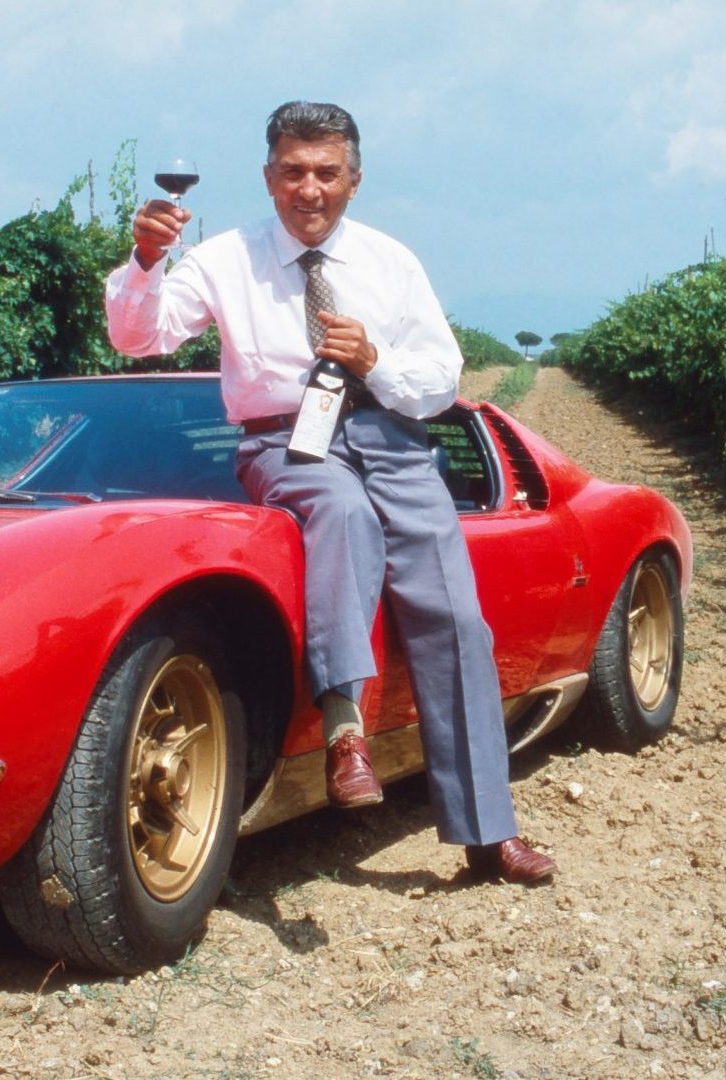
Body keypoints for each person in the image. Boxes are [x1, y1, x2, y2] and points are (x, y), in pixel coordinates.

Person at [103, 101, 554, 884]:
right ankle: (346, 733)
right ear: (268, 176)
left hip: (394, 438)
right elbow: (139, 338)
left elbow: (441, 377)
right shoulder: (221, 259)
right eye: (292, 172)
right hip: (286, 440)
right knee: (340, 509)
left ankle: (490, 833)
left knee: (455, 618)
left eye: (325, 172)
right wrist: (145, 262)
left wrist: (374, 358)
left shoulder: (391, 262)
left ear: (354, 178)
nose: (308, 189)